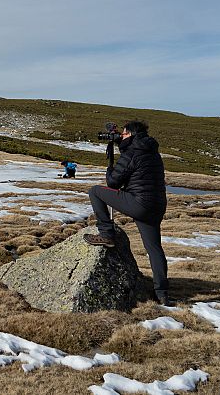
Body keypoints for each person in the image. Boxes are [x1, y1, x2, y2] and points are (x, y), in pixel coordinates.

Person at [84, 120, 170, 305]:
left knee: (95, 191)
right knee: (154, 248)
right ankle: (162, 293)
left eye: (123, 134)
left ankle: (106, 234)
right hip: (157, 205)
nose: (120, 137)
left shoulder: (131, 152)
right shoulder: (152, 151)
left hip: (138, 203)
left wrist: (110, 168)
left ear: (130, 134)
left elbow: (113, 182)